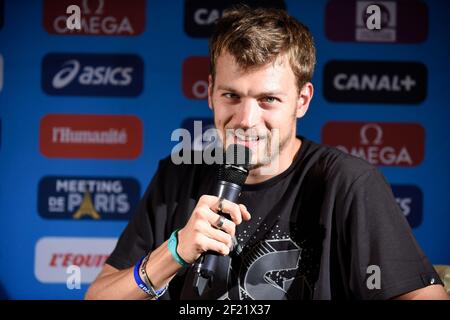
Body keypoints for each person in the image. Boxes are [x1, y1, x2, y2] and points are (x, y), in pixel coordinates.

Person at [85, 6, 448, 300]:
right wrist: (174, 253)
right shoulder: (180, 173)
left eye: (268, 99)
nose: (246, 119)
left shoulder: (348, 183)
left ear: (302, 100)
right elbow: (99, 296)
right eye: (232, 96)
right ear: (210, 92)